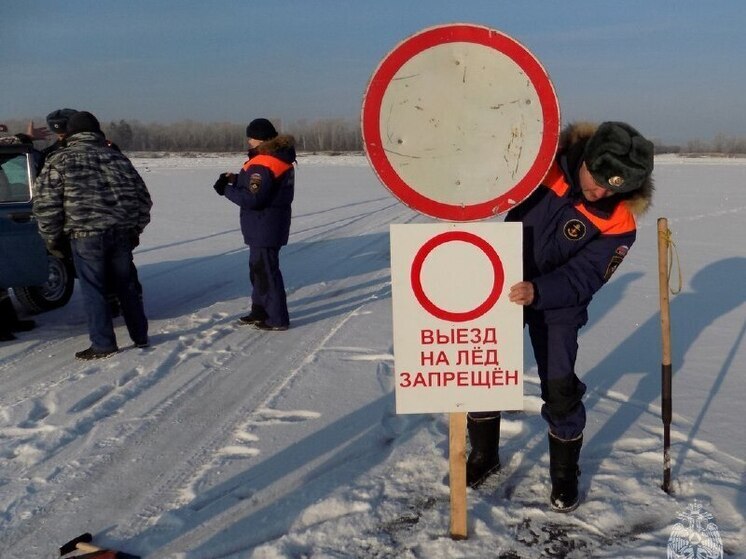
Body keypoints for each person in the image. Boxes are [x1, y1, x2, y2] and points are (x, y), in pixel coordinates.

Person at [467, 121, 654, 512]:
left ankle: (565, 475)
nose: (599, 191)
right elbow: (485, 175)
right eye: (597, 178)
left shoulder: (619, 221)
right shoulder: (541, 167)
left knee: (559, 386)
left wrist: (540, 291)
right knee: (484, 368)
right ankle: (484, 455)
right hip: (500, 283)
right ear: (584, 158)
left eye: (612, 187)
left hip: (559, 304)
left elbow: (586, 276)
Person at [33, 111, 152, 360]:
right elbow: (143, 199)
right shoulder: (117, 158)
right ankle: (140, 335)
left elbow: (46, 206)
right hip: (120, 233)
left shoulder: (59, 160)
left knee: (94, 290)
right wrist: (135, 230)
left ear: (72, 132)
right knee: (127, 286)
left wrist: (52, 239)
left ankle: (103, 343)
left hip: (84, 236)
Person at [212, 118, 296, 331]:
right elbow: (260, 185)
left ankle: (277, 319)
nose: (248, 141)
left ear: (258, 139)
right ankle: (260, 310)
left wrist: (225, 190)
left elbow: (253, 198)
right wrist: (236, 179)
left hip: (264, 225)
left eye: (250, 137)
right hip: (269, 224)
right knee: (259, 270)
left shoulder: (264, 162)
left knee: (266, 272)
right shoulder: (275, 158)